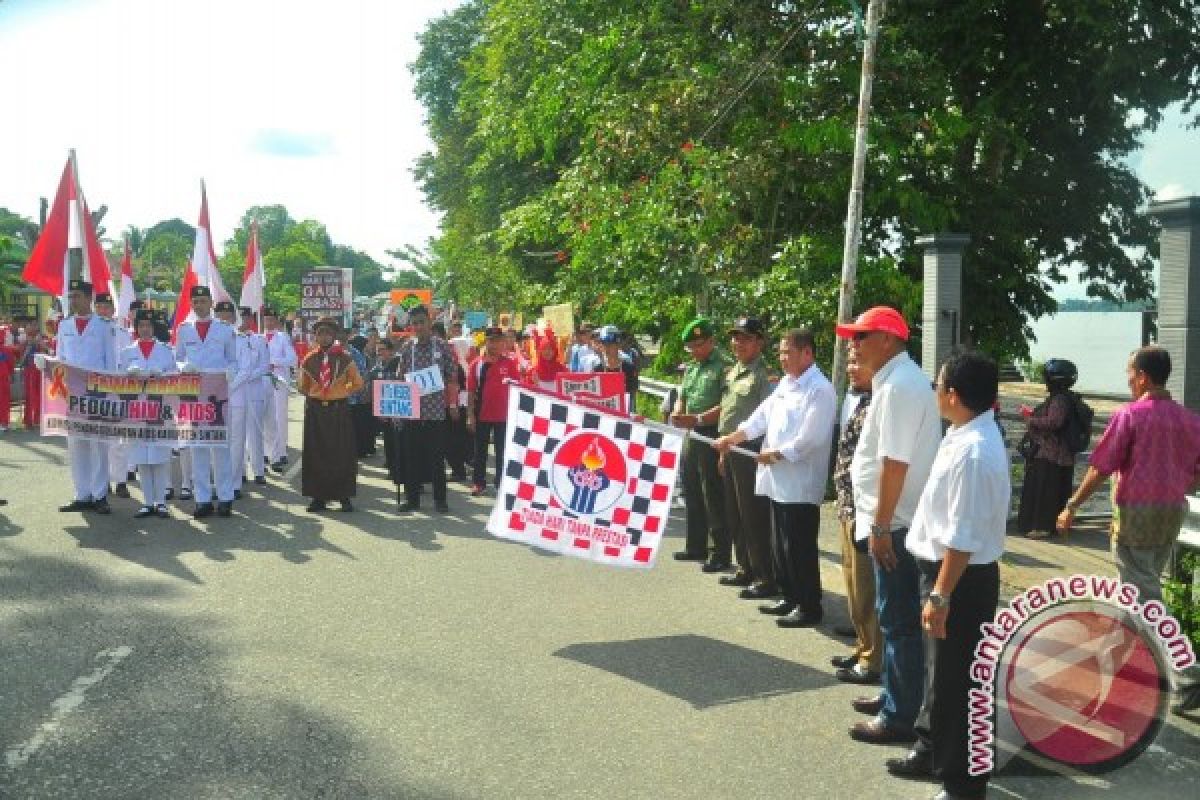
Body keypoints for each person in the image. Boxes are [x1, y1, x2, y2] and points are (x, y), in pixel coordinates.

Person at [878, 350, 1008, 800]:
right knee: (943, 679)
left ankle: (963, 787)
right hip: (944, 575)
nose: (934, 391)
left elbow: (963, 535)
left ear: (953, 394)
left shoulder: (974, 450)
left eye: (937, 384)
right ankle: (934, 754)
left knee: (959, 686)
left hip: (959, 580)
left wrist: (940, 595)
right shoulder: (963, 431)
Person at [1057, 345, 1200, 716]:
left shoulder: (1131, 416)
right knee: (1138, 589)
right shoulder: (1189, 420)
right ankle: (1113, 670)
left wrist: (1072, 505)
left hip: (1135, 512)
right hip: (1171, 512)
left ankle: (1187, 672)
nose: (1127, 379)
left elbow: (1101, 466)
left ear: (1144, 377)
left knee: (1143, 594)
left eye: (1130, 373)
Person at [837, 306, 942, 745]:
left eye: (861, 336)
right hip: (894, 519)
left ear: (886, 338)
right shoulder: (896, 382)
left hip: (896, 522)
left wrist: (880, 527)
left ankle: (899, 715)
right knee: (894, 618)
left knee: (897, 621)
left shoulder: (899, 387)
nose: (853, 345)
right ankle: (896, 696)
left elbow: (894, 464)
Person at [715, 328, 836, 628]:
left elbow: (812, 438)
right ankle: (790, 596)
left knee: (799, 547)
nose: (782, 358)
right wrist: (735, 437)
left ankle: (809, 605)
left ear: (807, 353)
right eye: (781, 352)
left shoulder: (819, 389)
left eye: (788, 352)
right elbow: (761, 417)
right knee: (780, 544)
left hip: (800, 482)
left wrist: (776, 454)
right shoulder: (786, 383)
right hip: (777, 480)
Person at [712, 317, 775, 598]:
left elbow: (768, 418)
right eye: (735, 337)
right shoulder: (732, 371)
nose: (738, 343)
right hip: (730, 447)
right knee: (733, 513)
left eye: (746, 338)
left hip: (751, 450)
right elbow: (728, 410)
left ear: (759, 342)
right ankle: (745, 567)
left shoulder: (766, 376)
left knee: (753, 515)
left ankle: (764, 575)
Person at [830, 351, 883, 686]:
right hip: (847, 505)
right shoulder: (861, 401)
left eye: (858, 362)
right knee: (852, 583)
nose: (851, 368)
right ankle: (862, 646)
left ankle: (873, 659)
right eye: (848, 362)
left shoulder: (881, 405)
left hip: (865, 509)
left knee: (867, 588)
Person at [49, 279, 118, 514]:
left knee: (99, 444)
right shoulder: (64, 326)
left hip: (97, 393)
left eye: (77, 296)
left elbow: (111, 363)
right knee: (77, 445)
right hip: (72, 395)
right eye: (71, 296)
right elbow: (60, 358)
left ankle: (100, 495)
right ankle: (82, 494)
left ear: (89, 298)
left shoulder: (104, 326)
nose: (73, 300)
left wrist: (111, 395)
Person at [670, 317, 731, 571]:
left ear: (711, 342)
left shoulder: (724, 367)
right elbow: (682, 396)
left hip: (711, 433)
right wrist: (677, 412)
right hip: (691, 434)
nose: (695, 351)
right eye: (691, 347)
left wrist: (696, 418)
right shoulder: (692, 368)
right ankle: (695, 545)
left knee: (712, 493)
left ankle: (719, 552)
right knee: (691, 489)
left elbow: (727, 405)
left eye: (699, 345)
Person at [175, 286, 238, 519]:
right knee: (197, 448)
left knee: (220, 447)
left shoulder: (224, 330)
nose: (199, 305)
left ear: (211, 303)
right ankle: (202, 499)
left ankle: (225, 497)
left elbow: (233, 360)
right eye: (196, 301)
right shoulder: (184, 330)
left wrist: (231, 372)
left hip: (217, 395)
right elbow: (177, 358)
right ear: (191, 304)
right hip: (193, 395)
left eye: (203, 300)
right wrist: (183, 367)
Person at [395, 305, 459, 512]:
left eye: (422, 322)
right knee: (411, 457)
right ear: (410, 326)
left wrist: (452, 404)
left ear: (429, 323)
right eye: (415, 323)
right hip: (412, 412)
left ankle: (440, 500)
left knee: (436, 458)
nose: (419, 326)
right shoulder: (407, 348)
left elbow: (452, 377)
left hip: (435, 412)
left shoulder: (442, 347)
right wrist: (396, 409)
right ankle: (412, 499)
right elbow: (399, 378)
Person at [297, 317, 364, 512]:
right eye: (320, 333)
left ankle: (344, 496)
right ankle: (318, 497)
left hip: (338, 409)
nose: (324, 337)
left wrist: (343, 390)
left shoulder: (344, 358)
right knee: (316, 453)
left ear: (334, 335)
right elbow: (302, 386)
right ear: (315, 337)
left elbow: (358, 383)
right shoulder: (309, 359)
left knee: (341, 453)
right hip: (316, 410)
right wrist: (315, 394)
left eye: (327, 333)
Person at [119, 309, 179, 519]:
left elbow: (175, 375)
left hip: (160, 407)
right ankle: (147, 502)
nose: (145, 329)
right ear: (136, 329)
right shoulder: (127, 352)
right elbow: (118, 378)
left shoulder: (165, 350)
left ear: (154, 328)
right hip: (136, 409)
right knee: (141, 457)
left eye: (148, 326)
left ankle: (161, 502)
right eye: (141, 326)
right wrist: (130, 374)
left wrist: (161, 374)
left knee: (160, 455)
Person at [1016, 358, 1079, 539]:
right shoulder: (1067, 398)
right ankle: (1054, 526)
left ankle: (1042, 527)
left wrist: (1030, 420)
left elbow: (1054, 422)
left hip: (1050, 453)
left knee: (1045, 491)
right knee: (1057, 491)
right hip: (1061, 454)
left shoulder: (1059, 400)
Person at [217, 303, 270, 493]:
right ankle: (220, 481)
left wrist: (228, 387)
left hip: (237, 396)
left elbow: (246, 369)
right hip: (215, 398)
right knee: (219, 442)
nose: (223, 319)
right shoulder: (213, 340)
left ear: (233, 318)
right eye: (220, 315)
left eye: (227, 316)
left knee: (237, 442)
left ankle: (234, 483)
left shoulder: (241, 340)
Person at [467, 326, 521, 496]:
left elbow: (517, 388)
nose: (494, 345)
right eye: (491, 341)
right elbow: (470, 391)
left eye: (498, 341)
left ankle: (501, 483)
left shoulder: (510, 364)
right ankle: (478, 482)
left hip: (504, 416)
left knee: (502, 451)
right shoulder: (476, 364)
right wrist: (470, 415)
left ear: (503, 343)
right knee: (480, 451)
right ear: (486, 342)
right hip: (481, 414)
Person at [95, 291, 134, 498]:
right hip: (96, 390)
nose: (103, 310)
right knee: (100, 439)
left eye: (107, 307)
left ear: (112, 310)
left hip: (119, 389)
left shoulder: (123, 333)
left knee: (121, 439)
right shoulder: (90, 330)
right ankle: (102, 483)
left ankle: (120, 481)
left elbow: (127, 360)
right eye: (99, 307)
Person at [262, 307, 298, 473]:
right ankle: (265, 452)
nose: (268, 322)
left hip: (278, 380)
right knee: (263, 418)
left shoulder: (282, 337)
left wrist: (274, 361)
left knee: (279, 417)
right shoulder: (257, 338)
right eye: (266, 319)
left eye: (271, 319)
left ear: (276, 321)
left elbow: (292, 359)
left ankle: (281, 451)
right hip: (261, 381)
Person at [594, 325, 639, 412]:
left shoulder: (629, 369)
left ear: (618, 345)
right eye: (604, 344)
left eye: (610, 344)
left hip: (623, 412)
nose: (607, 348)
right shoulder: (597, 369)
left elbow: (631, 396)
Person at [347, 334, 376, 458]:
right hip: (364, 395)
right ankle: (366, 448)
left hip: (357, 395)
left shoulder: (357, 356)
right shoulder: (364, 356)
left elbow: (361, 376)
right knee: (363, 424)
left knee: (357, 425)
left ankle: (360, 449)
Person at [20, 316, 50, 429]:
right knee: (29, 396)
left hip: (41, 370)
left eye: (35, 325)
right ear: (26, 328)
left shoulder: (43, 338)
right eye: (30, 325)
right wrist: (28, 346)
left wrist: (43, 345)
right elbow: (20, 361)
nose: (33, 327)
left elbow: (50, 353)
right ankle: (28, 420)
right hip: (29, 370)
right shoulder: (23, 341)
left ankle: (39, 419)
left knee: (41, 395)